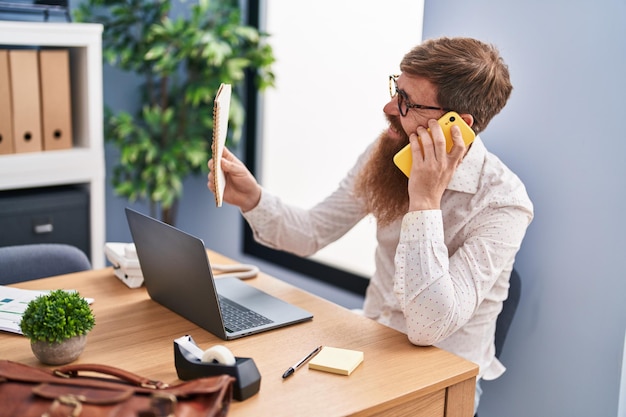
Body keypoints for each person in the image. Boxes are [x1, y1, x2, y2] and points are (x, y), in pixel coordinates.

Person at [207, 36, 533, 412]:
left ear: (457, 125)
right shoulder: (391, 150)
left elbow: (428, 327)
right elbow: (312, 232)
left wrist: (424, 200)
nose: (389, 106)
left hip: (439, 384)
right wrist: (253, 198)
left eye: (408, 102)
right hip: (368, 346)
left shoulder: (503, 203)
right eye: (397, 89)